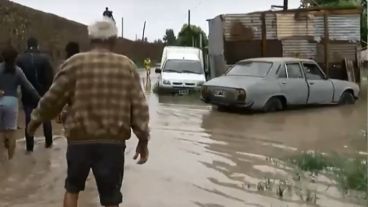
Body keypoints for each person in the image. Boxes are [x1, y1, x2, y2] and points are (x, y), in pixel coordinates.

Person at [27, 17, 150, 207]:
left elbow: (52, 99)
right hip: (113, 143)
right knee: (111, 198)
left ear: (90, 38)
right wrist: (143, 139)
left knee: (72, 189)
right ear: (114, 39)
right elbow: (139, 106)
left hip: (79, 141)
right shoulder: (127, 66)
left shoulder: (73, 63)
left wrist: (35, 120)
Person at [0, 46, 39, 160]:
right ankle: (10, 162)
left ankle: (2, 167)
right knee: (11, 134)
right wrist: (40, 99)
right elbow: (29, 88)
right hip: (12, 103)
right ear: (15, 58)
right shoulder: (18, 71)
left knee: (1, 133)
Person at [17, 37, 54, 152]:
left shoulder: (20, 59)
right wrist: (47, 90)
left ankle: (29, 147)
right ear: (37, 45)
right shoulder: (45, 58)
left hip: (27, 95)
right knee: (46, 118)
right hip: (43, 93)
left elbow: (18, 77)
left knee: (29, 119)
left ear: (27, 45)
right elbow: (50, 77)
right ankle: (49, 144)